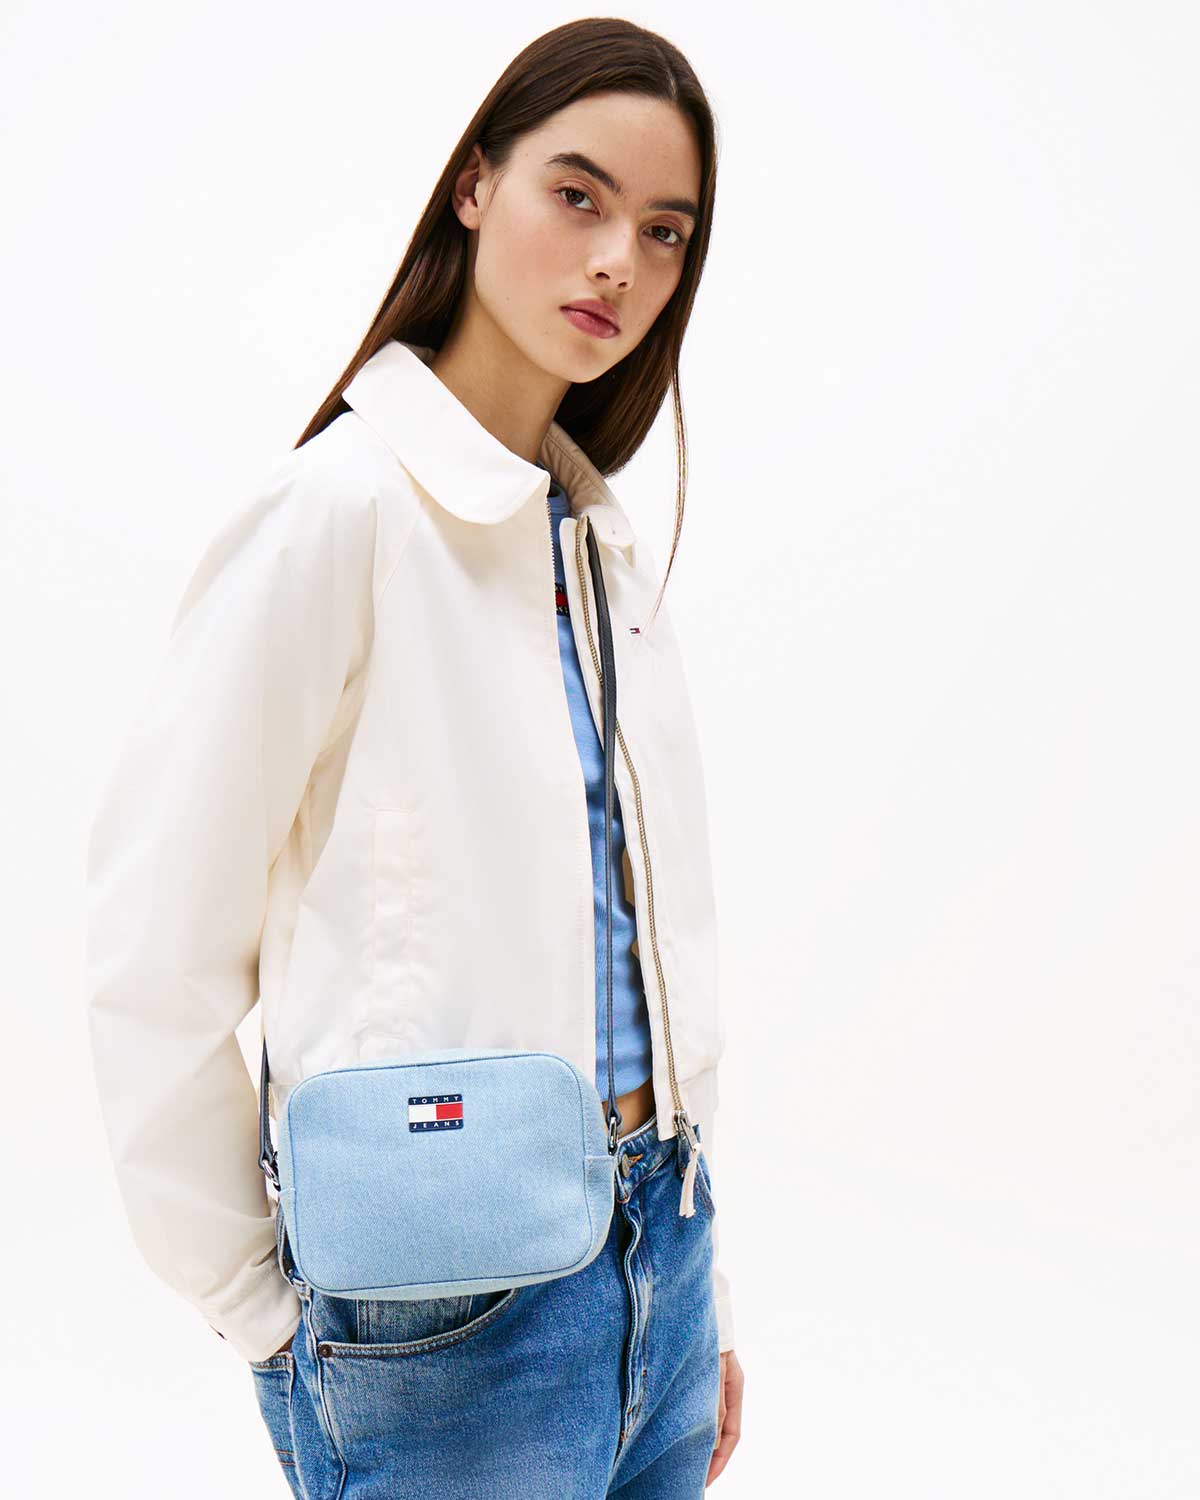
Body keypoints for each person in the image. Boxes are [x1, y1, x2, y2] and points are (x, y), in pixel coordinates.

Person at [82, 16, 744, 1496]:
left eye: (663, 231)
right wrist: (263, 1314)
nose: (617, 263)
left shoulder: (596, 545)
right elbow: (153, 951)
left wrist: (690, 1301)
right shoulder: (339, 515)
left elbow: (636, 943)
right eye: (577, 196)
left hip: (658, 1262)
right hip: (444, 1319)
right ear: (474, 185)